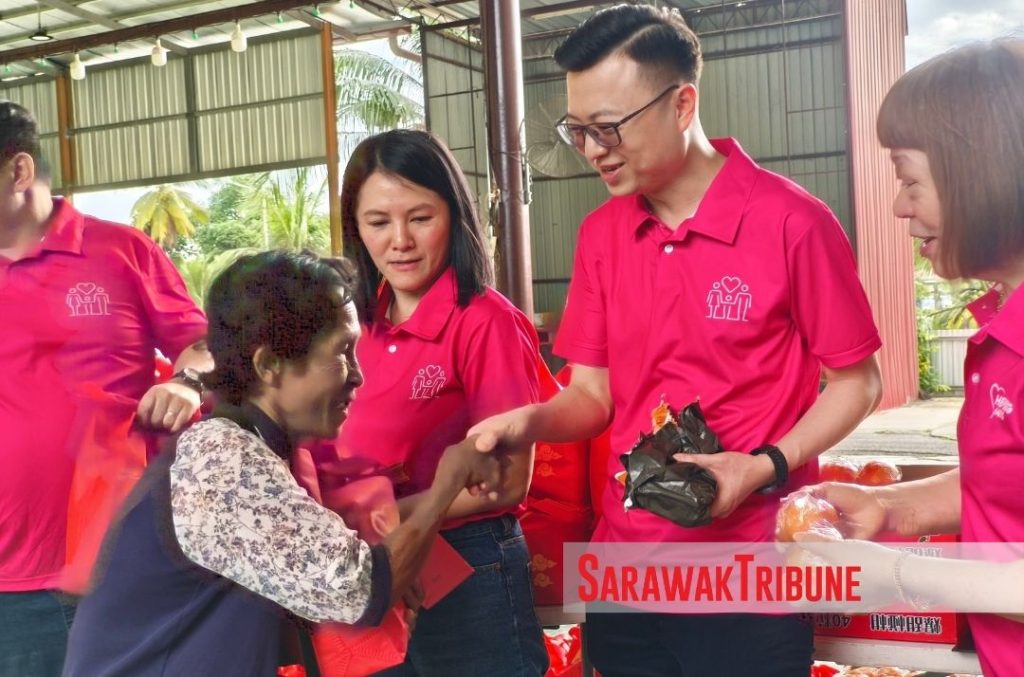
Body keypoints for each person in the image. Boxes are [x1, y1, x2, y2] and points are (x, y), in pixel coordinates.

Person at [468, 5, 883, 676]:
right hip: (626, 566)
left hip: (749, 568)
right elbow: (592, 396)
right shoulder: (600, 235)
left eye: (609, 128)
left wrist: (765, 465)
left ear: (682, 103)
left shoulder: (792, 223)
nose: (593, 150)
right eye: (578, 131)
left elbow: (858, 382)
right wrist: (527, 421)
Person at [61, 250, 508, 676]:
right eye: (341, 351)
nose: (357, 375)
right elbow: (361, 589)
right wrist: (448, 482)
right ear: (269, 364)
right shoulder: (223, 463)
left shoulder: (254, 445)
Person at [797, 39, 1024, 677]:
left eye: (909, 179)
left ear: (981, 171)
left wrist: (895, 573)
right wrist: (892, 508)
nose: (899, 205)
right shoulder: (1002, 328)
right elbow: (1006, 483)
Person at [310, 129, 547, 676]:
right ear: (355, 227)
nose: (400, 241)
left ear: (454, 216)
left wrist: (375, 513)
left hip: (468, 562)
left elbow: (510, 481)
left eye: (420, 218)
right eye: (378, 222)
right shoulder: (354, 324)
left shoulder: (485, 321)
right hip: (373, 563)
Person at [0, 100, 211, 676]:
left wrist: (188, 382)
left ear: (18, 172)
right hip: (8, 589)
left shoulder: (120, 252)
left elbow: (205, 343)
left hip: (119, 564)